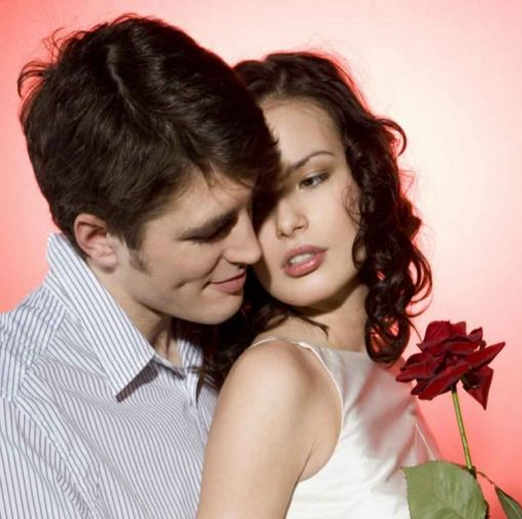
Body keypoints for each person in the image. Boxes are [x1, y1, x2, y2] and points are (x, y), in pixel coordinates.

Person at [0, 15, 279, 519]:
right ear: (100, 239)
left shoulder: (234, 321)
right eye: (211, 230)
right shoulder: (20, 412)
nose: (251, 249)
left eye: (252, 206)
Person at [195, 52, 438, 518]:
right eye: (259, 204)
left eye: (311, 179)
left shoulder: (380, 367)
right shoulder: (274, 378)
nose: (288, 222)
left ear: (365, 176)